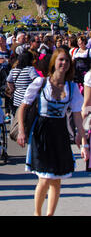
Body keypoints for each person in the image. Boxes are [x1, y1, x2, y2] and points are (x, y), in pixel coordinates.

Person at [17, 48, 89, 216]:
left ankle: (50, 215)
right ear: (54, 62)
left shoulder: (71, 88)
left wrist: (84, 141)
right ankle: (37, 213)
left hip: (60, 133)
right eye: (60, 60)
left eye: (66, 61)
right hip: (42, 131)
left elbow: (78, 116)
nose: (63, 63)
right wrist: (21, 130)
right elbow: (23, 107)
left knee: (56, 180)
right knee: (44, 178)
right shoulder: (41, 83)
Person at [6, 51, 39, 116]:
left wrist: (13, 89)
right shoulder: (30, 69)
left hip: (17, 98)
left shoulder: (14, 70)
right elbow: (37, 80)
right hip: (28, 98)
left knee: (17, 118)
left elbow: (9, 81)